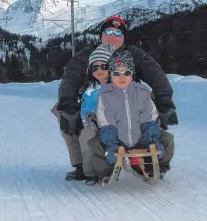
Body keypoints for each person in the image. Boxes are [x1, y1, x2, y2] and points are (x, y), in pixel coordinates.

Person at [88, 50, 174, 181]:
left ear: (132, 74)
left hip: (140, 138)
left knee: (167, 139)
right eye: (117, 73)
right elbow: (106, 123)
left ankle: (156, 168)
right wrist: (112, 145)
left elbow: (149, 119)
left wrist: (153, 141)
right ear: (111, 74)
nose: (122, 77)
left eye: (126, 73)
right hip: (118, 140)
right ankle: (106, 172)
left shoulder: (143, 92)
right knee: (95, 144)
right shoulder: (105, 96)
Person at [51, 43, 115, 181]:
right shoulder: (86, 61)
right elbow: (70, 79)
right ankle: (84, 168)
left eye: (104, 66)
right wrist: (72, 110)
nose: (100, 70)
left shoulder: (121, 76)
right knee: (69, 119)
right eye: (95, 67)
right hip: (92, 116)